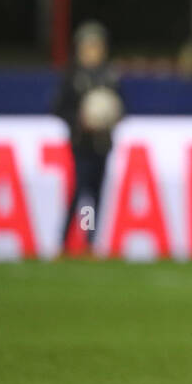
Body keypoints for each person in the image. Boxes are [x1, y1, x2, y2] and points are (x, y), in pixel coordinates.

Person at [53, 21, 123, 253]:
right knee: (79, 191)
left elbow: (123, 107)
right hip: (81, 144)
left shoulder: (110, 76)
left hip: (102, 144)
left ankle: (90, 242)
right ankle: (64, 241)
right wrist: (80, 120)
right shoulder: (73, 76)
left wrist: (112, 116)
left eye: (97, 46)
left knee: (97, 193)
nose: (93, 51)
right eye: (89, 46)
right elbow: (58, 107)